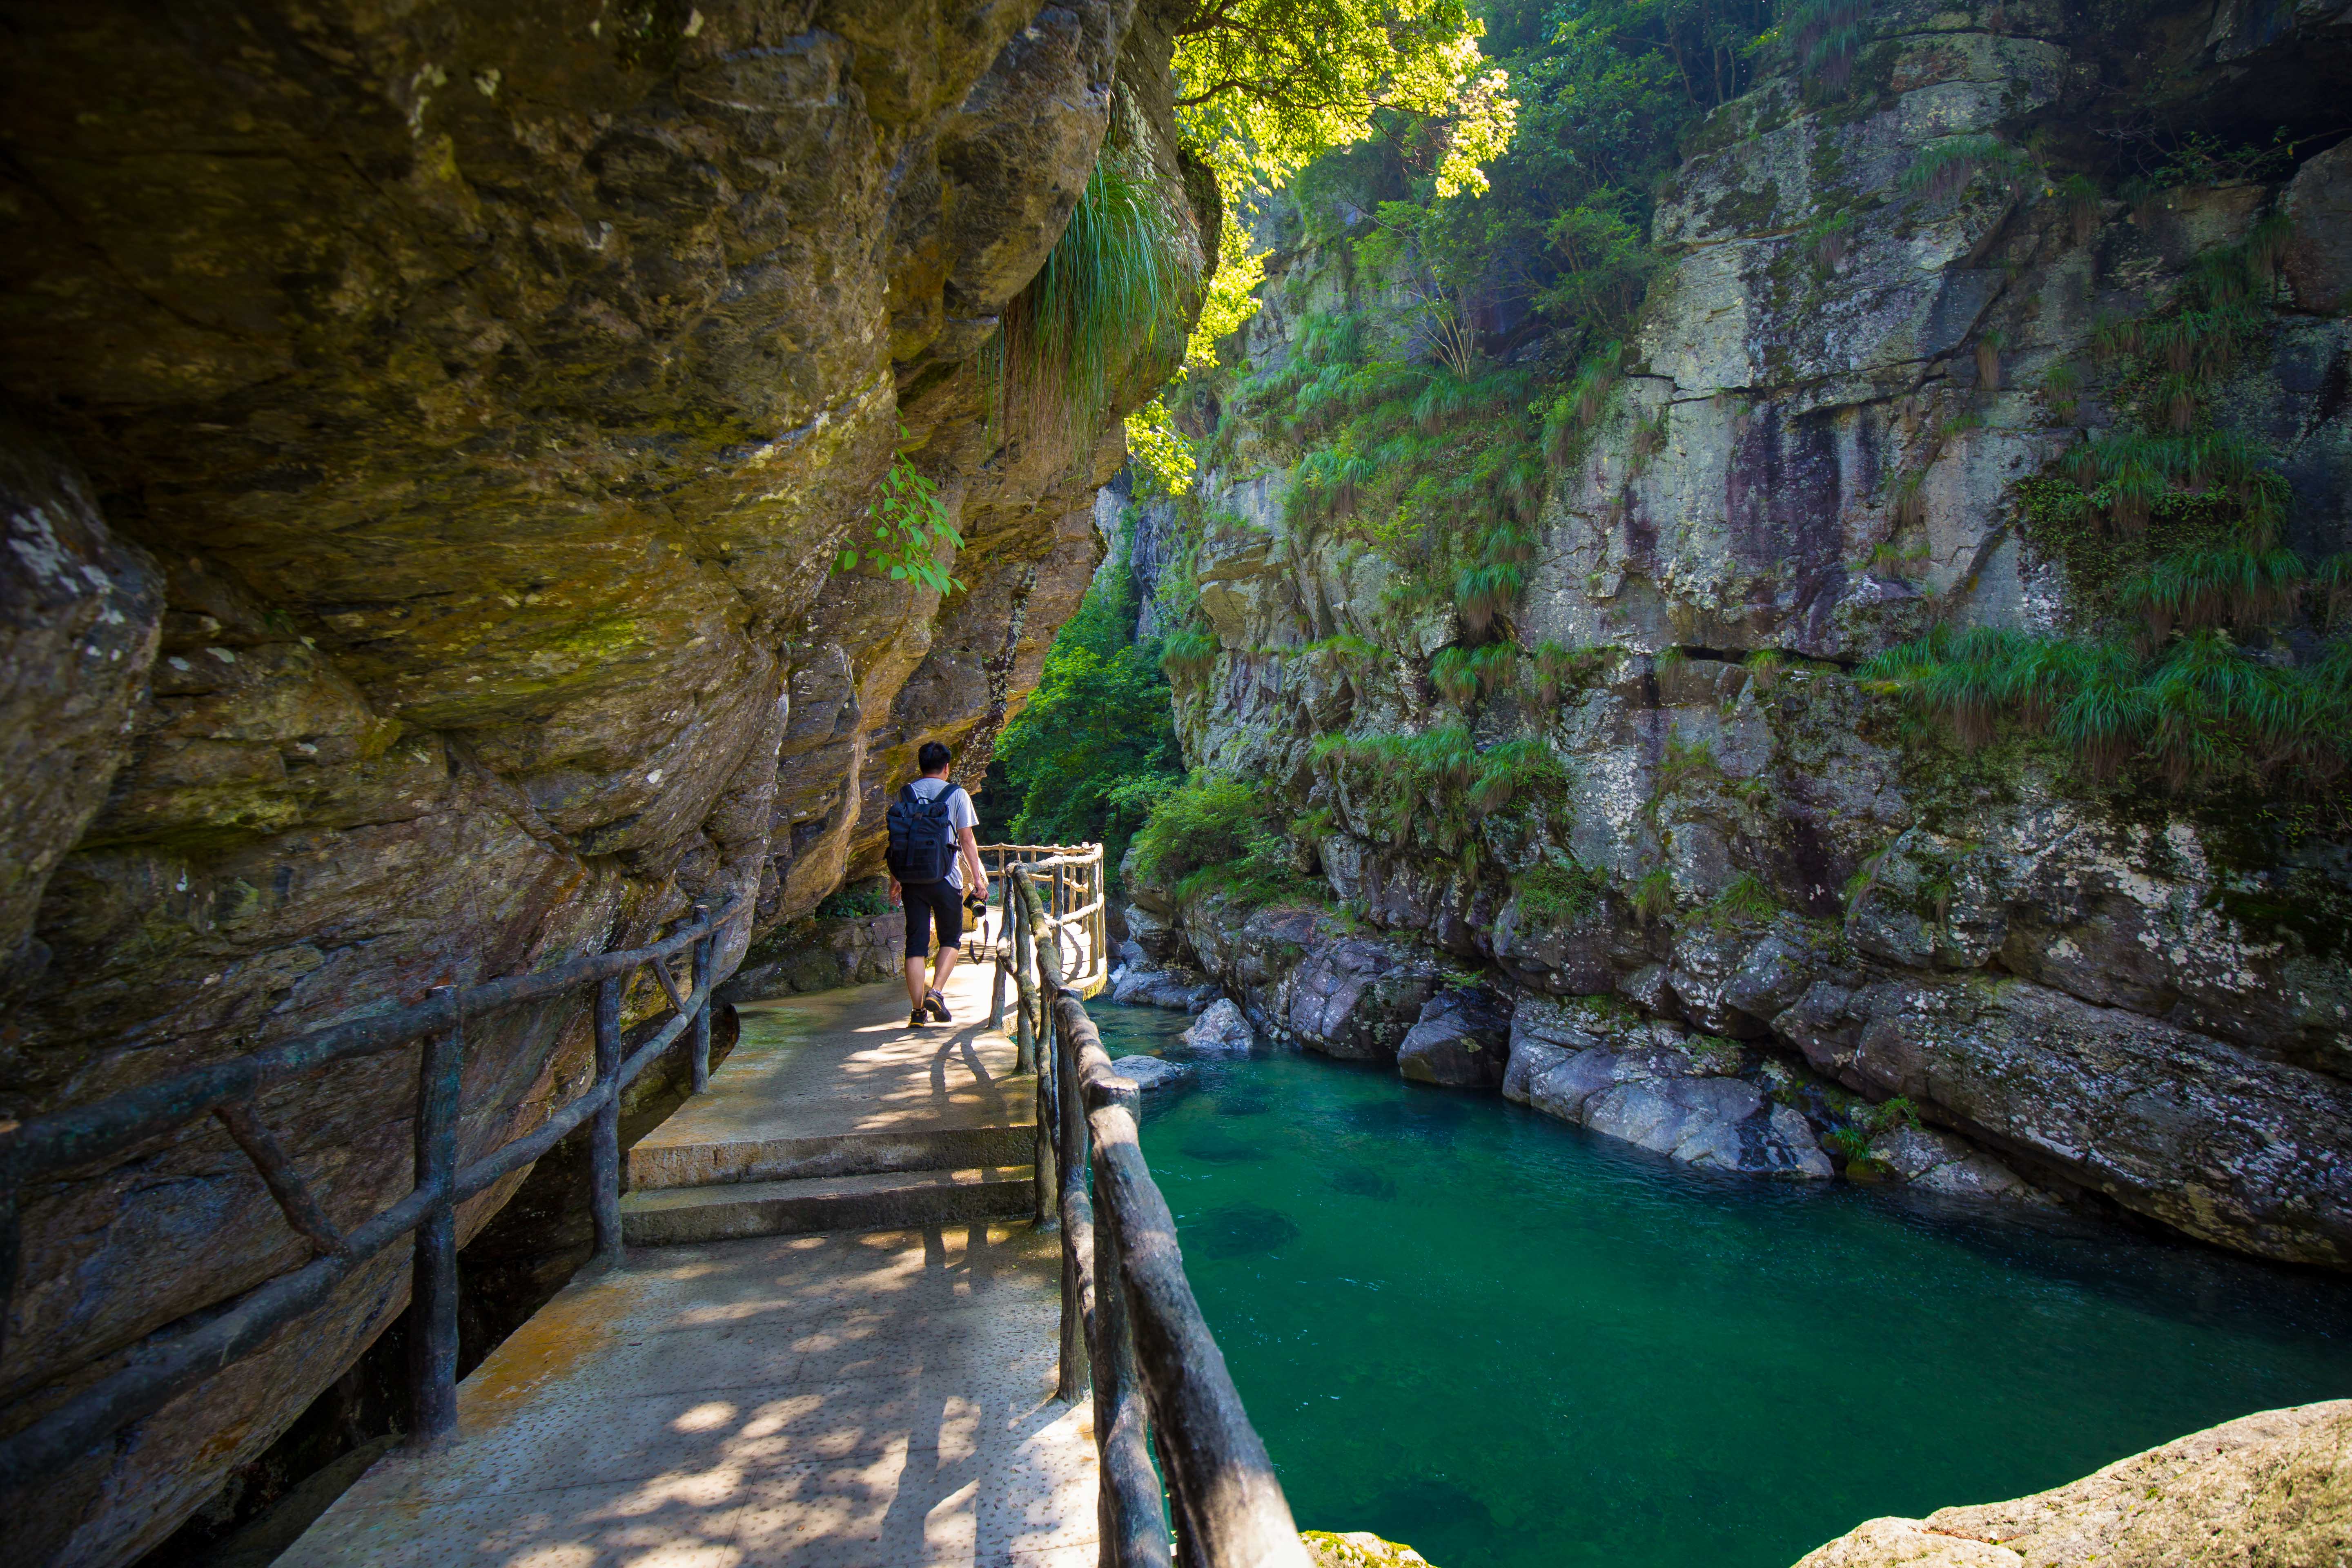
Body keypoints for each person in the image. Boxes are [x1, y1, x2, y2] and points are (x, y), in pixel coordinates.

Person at [885, 740, 989, 1027]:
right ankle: (936, 992)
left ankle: (917, 1012)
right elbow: (966, 839)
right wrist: (978, 880)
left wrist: (896, 879)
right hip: (946, 879)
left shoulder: (905, 793)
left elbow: (896, 840)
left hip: (911, 880)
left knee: (916, 945)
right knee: (950, 939)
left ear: (920, 766)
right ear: (947, 767)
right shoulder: (956, 794)